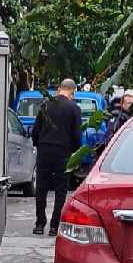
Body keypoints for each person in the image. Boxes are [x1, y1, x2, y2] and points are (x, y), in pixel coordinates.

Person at [29, 79, 82, 236]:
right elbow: (77, 135)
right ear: (73, 91)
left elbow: (35, 129)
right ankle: (54, 226)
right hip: (63, 153)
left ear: (60, 89)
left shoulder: (46, 104)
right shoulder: (74, 108)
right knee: (61, 189)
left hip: (44, 150)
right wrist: (74, 152)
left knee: (41, 188)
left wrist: (38, 144)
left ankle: (39, 224)